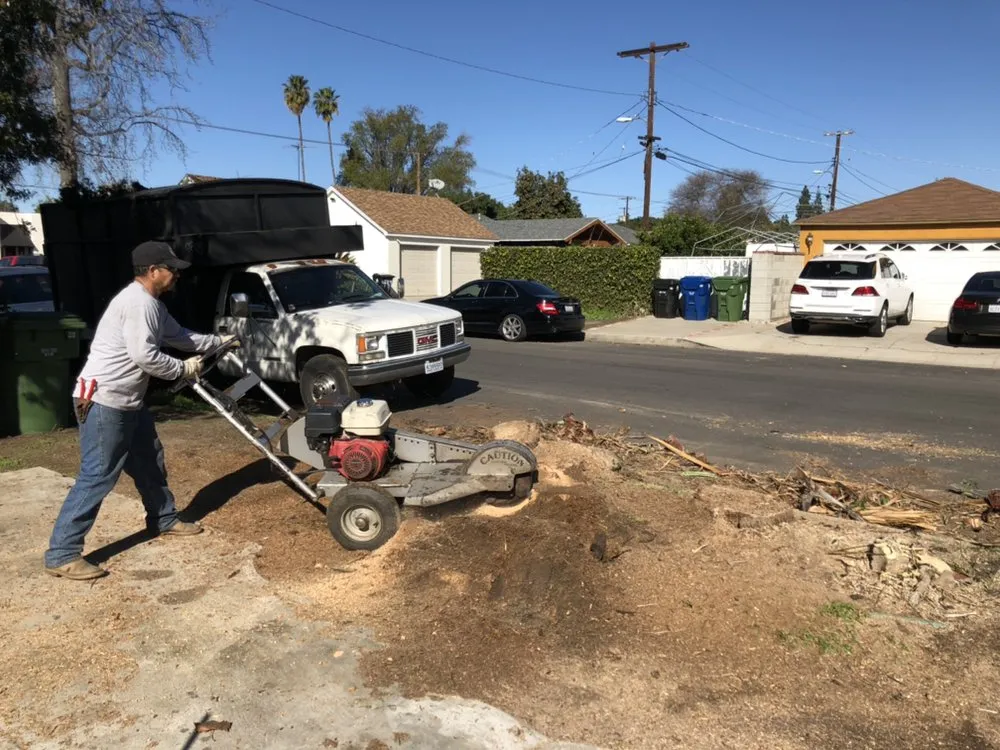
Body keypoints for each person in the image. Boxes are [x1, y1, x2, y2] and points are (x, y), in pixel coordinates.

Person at [44, 241, 234, 580]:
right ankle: (62, 553)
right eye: (171, 269)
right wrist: (182, 370)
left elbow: (181, 338)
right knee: (98, 475)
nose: (176, 275)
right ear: (152, 271)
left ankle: (163, 519)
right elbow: (144, 356)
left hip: (129, 400)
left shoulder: (154, 306)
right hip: (105, 401)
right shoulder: (137, 304)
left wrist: (219, 341)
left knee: (149, 461)